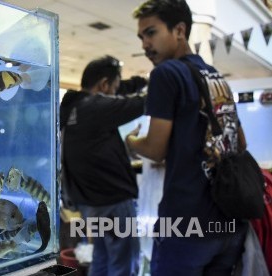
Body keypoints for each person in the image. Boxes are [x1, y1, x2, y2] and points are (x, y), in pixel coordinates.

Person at [126, 1, 248, 275]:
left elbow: (156, 149)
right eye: (141, 36)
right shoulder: (217, 78)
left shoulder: (166, 74)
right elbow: (240, 143)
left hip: (186, 223)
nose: (145, 43)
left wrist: (131, 143)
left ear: (179, 30)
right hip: (229, 220)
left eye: (151, 32)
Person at [60, 55, 146, 276]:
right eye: (114, 87)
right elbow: (140, 103)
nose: (115, 93)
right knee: (124, 264)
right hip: (112, 201)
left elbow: (94, 151)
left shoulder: (73, 107)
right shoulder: (95, 106)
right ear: (104, 85)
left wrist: (137, 81)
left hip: (91, 203)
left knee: (101, 258)